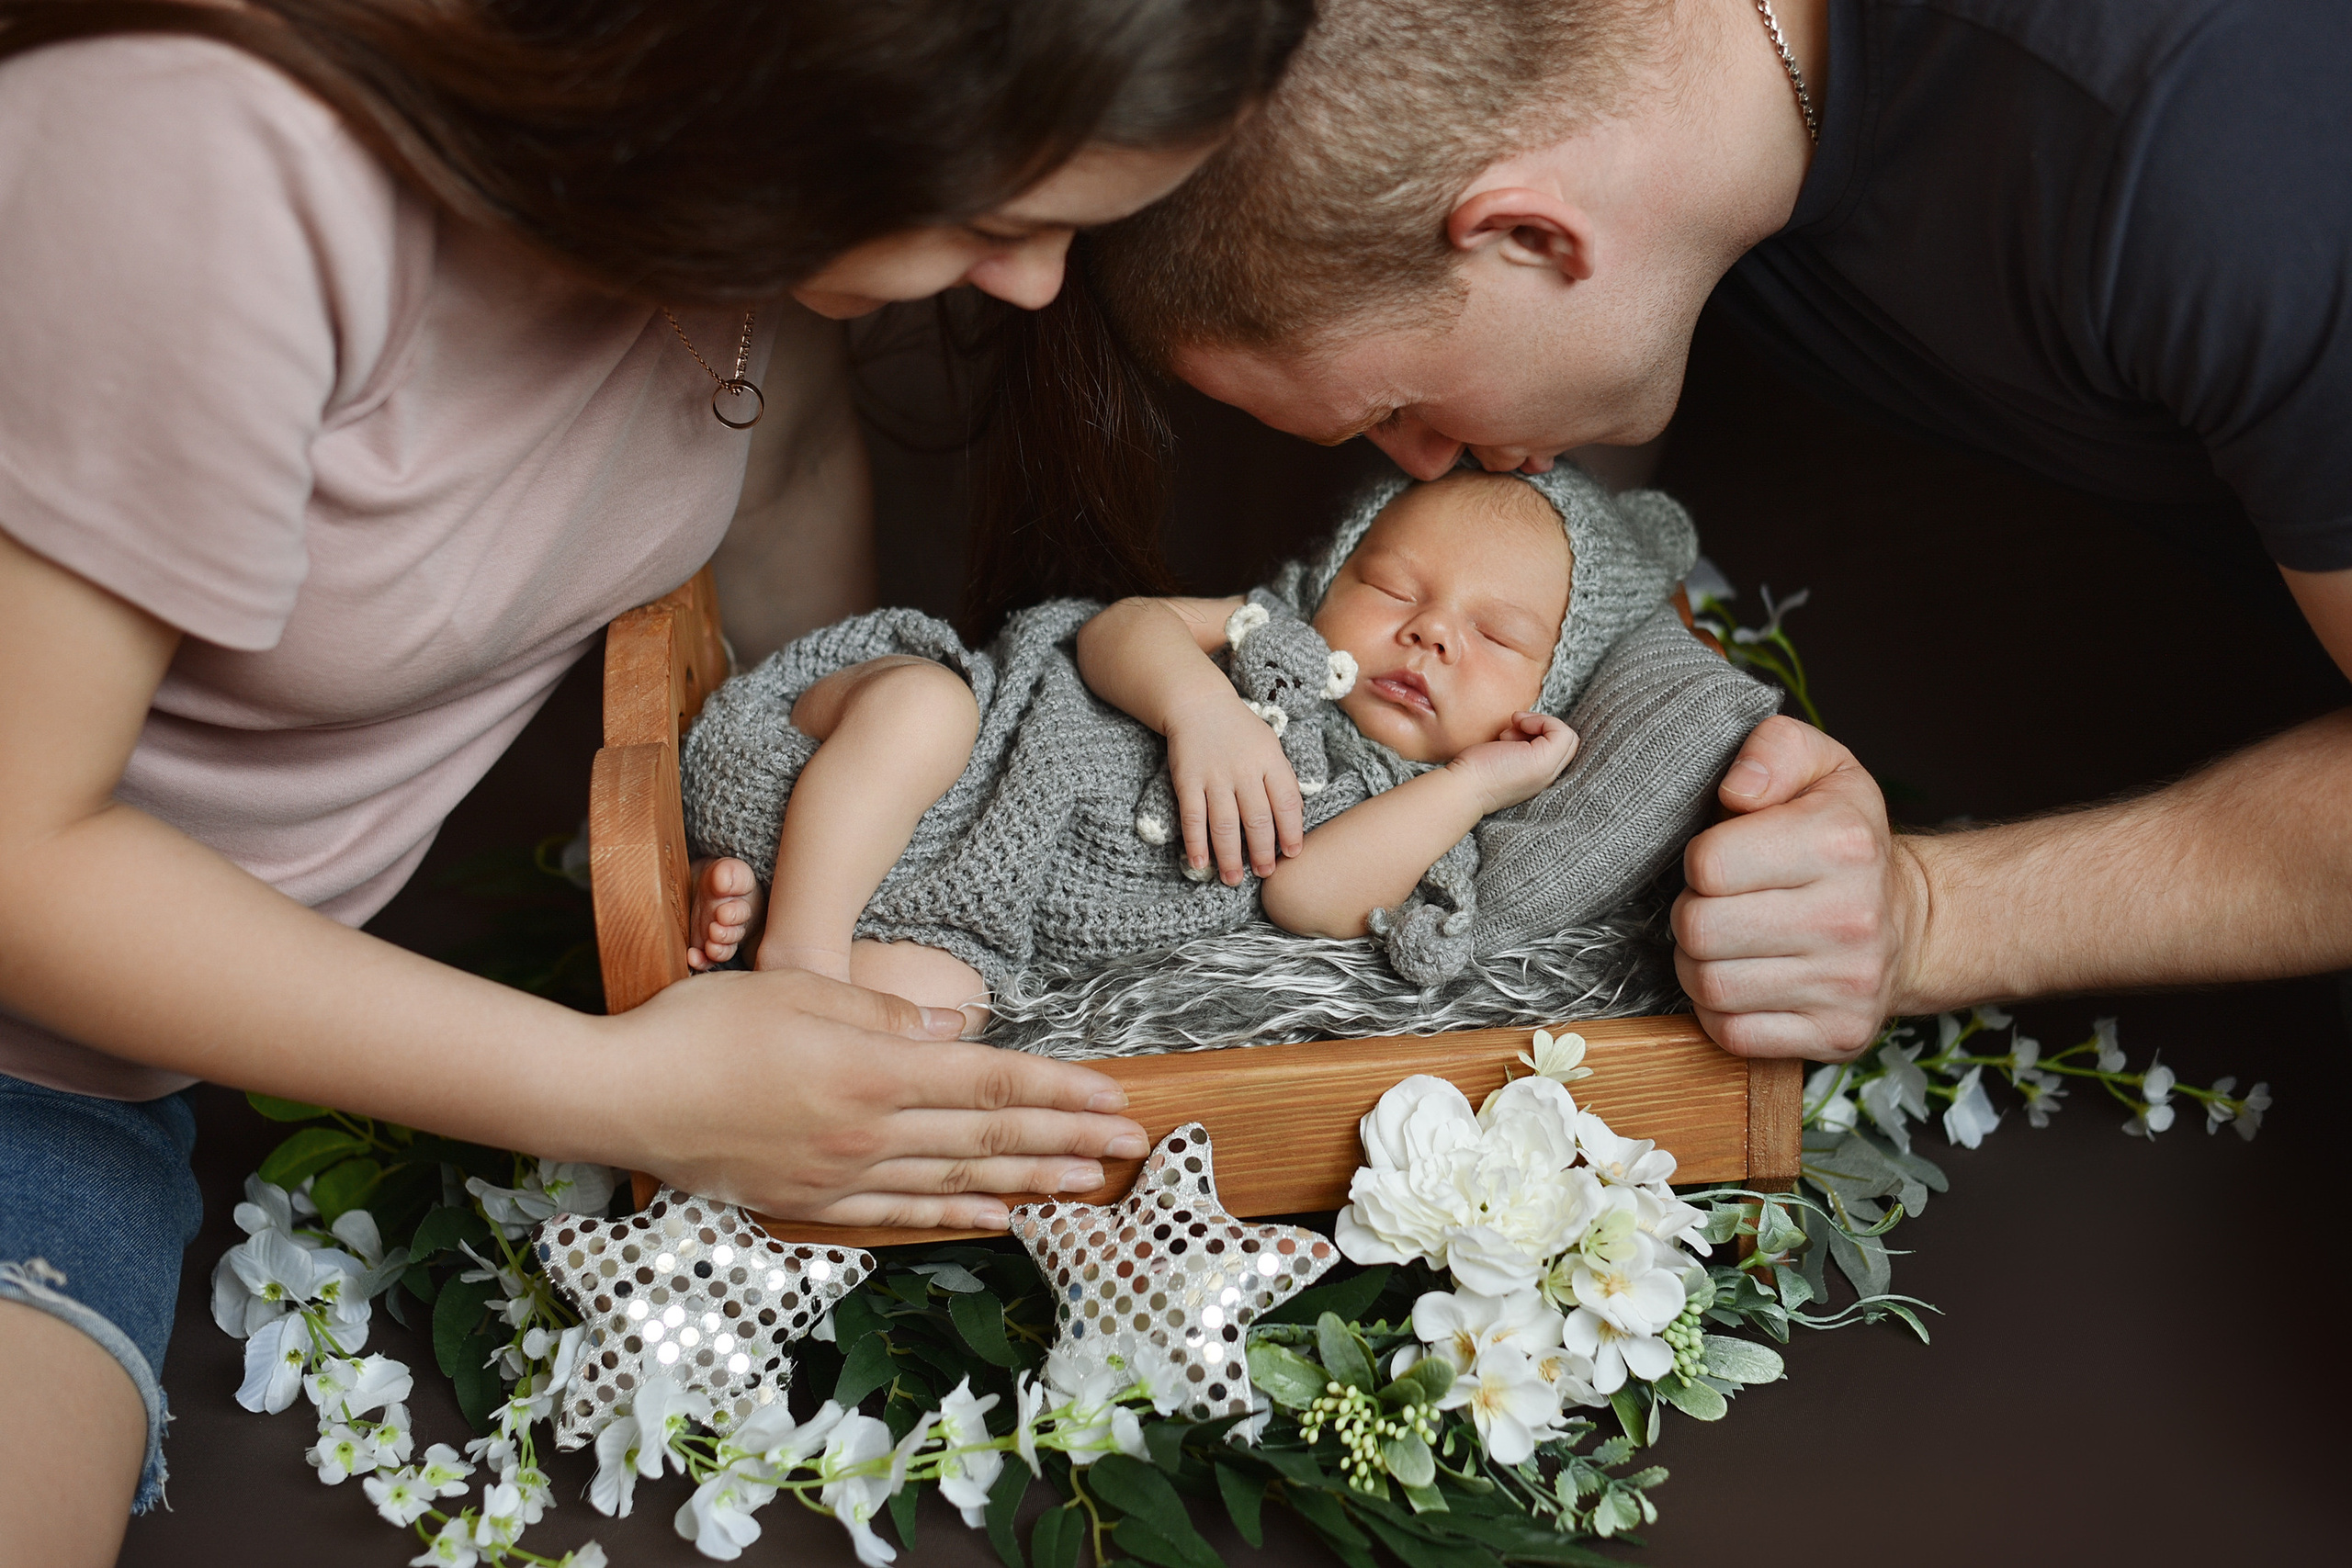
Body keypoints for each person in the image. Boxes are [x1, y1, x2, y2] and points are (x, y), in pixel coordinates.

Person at [0, 0, 1312, 1555]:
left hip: (87, 1082)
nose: (1033, 286)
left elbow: (780, 492)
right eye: (1003, 216)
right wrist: (633, 1089)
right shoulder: (207, 162)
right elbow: (21, 848)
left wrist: (818, 878)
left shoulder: (743, 251)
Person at [1068, 0, 2352, 1062]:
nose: (1419, 470)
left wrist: (1929, 912)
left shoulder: (2198, 146)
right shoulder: (1674, 114)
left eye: (1400, 408)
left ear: (1528, 232)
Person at [678, 467, 1703, 1014]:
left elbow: (1305, 895)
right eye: (1391, 586)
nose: (1428, 630)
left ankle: (773, 915)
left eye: (1495, 637)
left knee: (943, 1014)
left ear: (1546, 694)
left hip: (956, 915)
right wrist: (1198, 708)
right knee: (925, 707)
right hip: (917, 752)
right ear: (1333, 575)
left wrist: (1475, 785)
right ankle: (797, 961)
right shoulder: (1270, 631)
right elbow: (1110, 629)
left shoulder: (1423, 818)